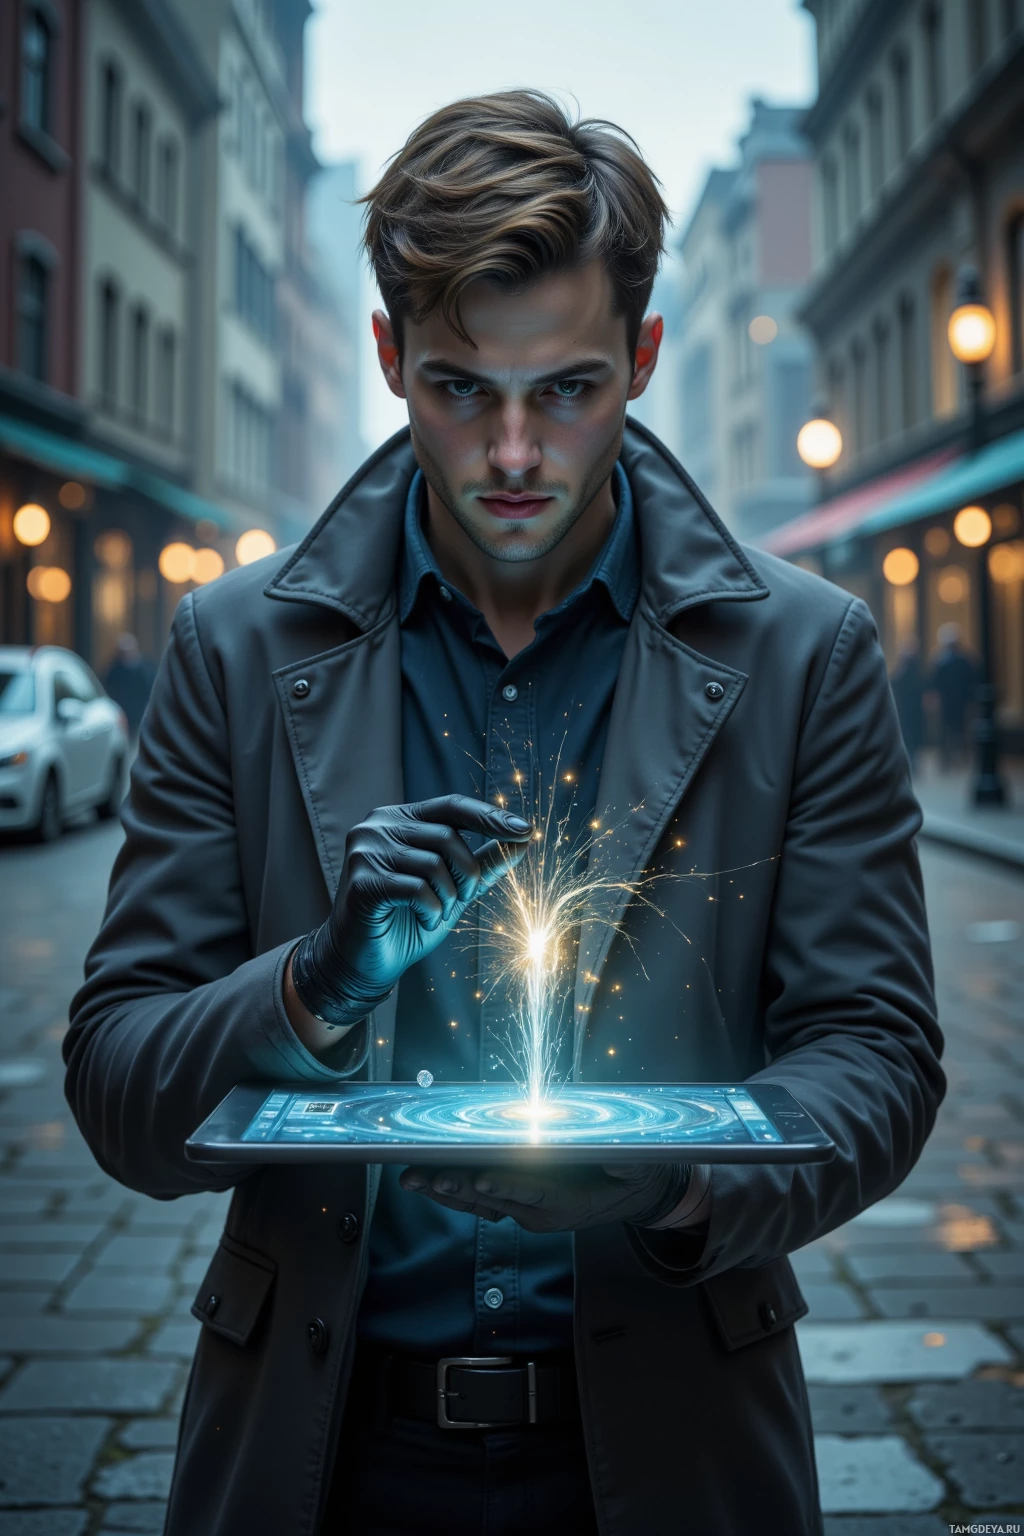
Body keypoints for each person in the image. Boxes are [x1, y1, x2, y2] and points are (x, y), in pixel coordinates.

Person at [64, 92, 943, 1536]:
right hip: (321, 1448)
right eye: (465, 389)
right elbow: (116, 1085)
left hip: (671, 1450)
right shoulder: (233, 651)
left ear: (646, 359)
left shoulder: (804, 653)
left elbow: (881, 1056)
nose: (518, 453)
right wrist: (313, 985)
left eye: (571, 389)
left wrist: (681, 1185)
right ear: (390, 359)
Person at [928, 622, 979, 769]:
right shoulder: (960, 660)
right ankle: (953, 758)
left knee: (952, 730)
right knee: (956, 730)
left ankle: (951, 758)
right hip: (955, 701)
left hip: (952, 702)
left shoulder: (944, 661)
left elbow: (934, 682)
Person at [100, 632, 157, 738]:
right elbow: (107, 685)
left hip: (139, 709)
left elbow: (150, 685)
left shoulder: (144, 667)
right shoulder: (114, 668)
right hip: (121, 709)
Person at [890, 637, 926, 772]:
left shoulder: (910, 669)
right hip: (908, 709)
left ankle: (912, 761)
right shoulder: (909, 668)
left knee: (911, 737)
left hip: (910, 709)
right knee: (910, 737)